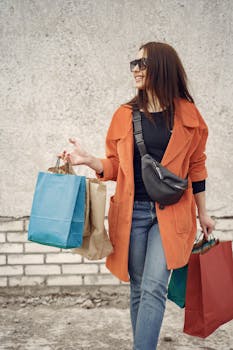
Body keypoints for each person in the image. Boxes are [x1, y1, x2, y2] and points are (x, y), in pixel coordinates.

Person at [58, 41, 215, 350]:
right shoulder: (124, 115)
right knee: (140, 287)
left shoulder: (189, 116)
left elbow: (196, 167)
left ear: (162, 68)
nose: (135, 69)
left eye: (142, 63)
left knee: (155, 286)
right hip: (133, 213)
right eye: (134, 63)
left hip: (172, 214)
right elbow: (116, 165)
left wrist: (204, 213)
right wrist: (89, 160)